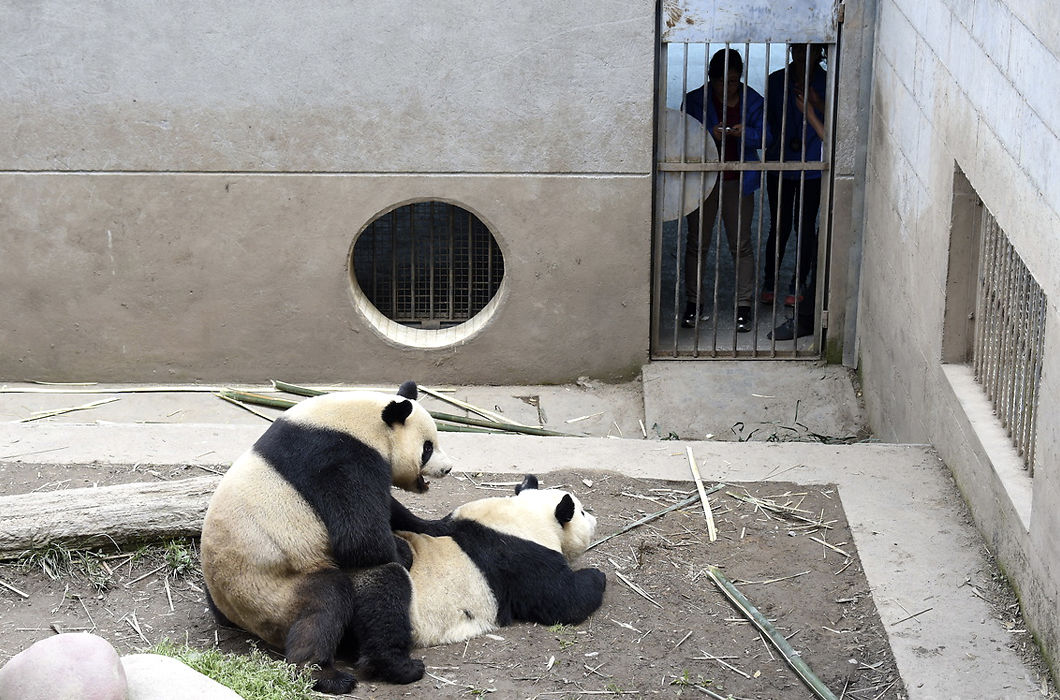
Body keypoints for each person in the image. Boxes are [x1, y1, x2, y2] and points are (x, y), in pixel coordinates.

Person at [681, 49, 766, 333]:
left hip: (738, 180)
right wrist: (709, 133)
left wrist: (747, 133)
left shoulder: (753, 100)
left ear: (739, 78)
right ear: (710, 78)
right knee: (697, 243)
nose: (727, 88)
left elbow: (768, 135)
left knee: (740, 244)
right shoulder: (695, 100)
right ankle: (694, 303)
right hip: (703, 180)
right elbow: (683, 135)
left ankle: (743, 306)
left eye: (732, 82)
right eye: (721, 82)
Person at [762, 43, 827, 341]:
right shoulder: (777, 81)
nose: (802, 56)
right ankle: (770, 281)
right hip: (780, 162)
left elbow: (833, 123)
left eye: (810, 51)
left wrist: (815, 106)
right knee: (780, 224)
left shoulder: (827, 82)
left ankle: (797, 283)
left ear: (820, 54)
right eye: (798, 50)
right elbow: (771, 121)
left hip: (813, 166)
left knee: (804, 225)